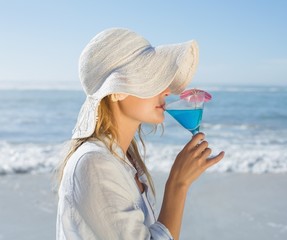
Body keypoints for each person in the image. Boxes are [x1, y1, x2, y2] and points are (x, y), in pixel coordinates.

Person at [55, 27, 225, 240]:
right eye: (152, 78)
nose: (166, 90)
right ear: (116, 90)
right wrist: (178, 184)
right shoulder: (94, 163)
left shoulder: (125, 159)